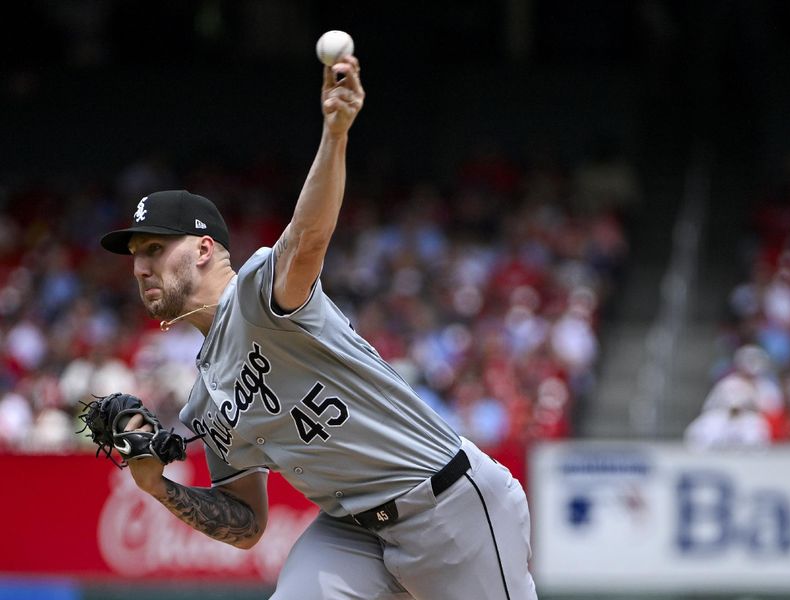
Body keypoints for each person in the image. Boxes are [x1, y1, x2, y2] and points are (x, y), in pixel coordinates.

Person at [98, 55, 536, 600]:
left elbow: (307, 237)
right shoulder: (205, 403)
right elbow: (246, 524)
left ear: (206, 249)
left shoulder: (258, 294)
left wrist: (335, 134)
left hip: (447, 503)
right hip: (351, 531)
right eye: (137, 254)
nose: (141, 265)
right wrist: (157, 486)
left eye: (156, 248)